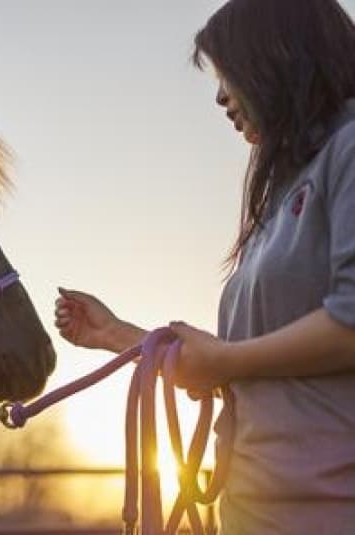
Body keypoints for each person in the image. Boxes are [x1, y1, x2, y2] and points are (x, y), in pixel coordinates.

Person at [54, 0, 355, 533]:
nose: (220, 97)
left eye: (227, 74)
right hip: (253, 509)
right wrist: (119, 336)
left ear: (279, 55)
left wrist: (227, 361)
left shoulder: (349, 150)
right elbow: (252, 367)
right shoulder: (282, 195)